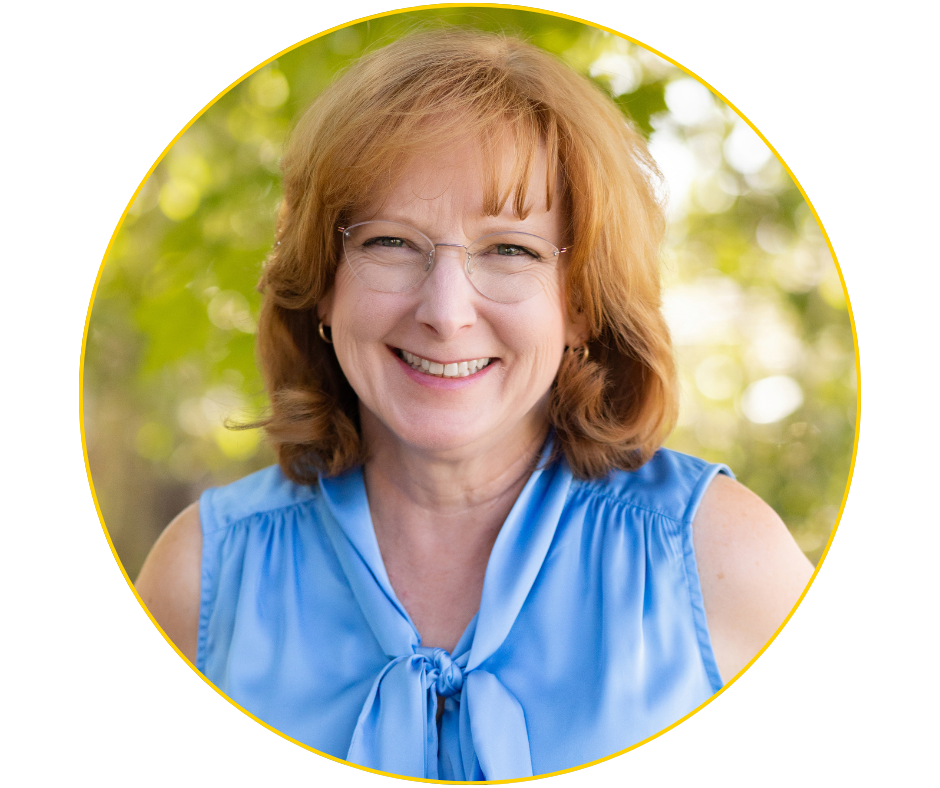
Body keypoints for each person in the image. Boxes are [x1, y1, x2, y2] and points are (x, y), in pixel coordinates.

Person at [135, 29, 814, 779]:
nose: (447, 312)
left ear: (580, 305)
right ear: (324, 286)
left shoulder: (720, 557)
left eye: (511, 249)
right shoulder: (201, 577)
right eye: (391, 243)